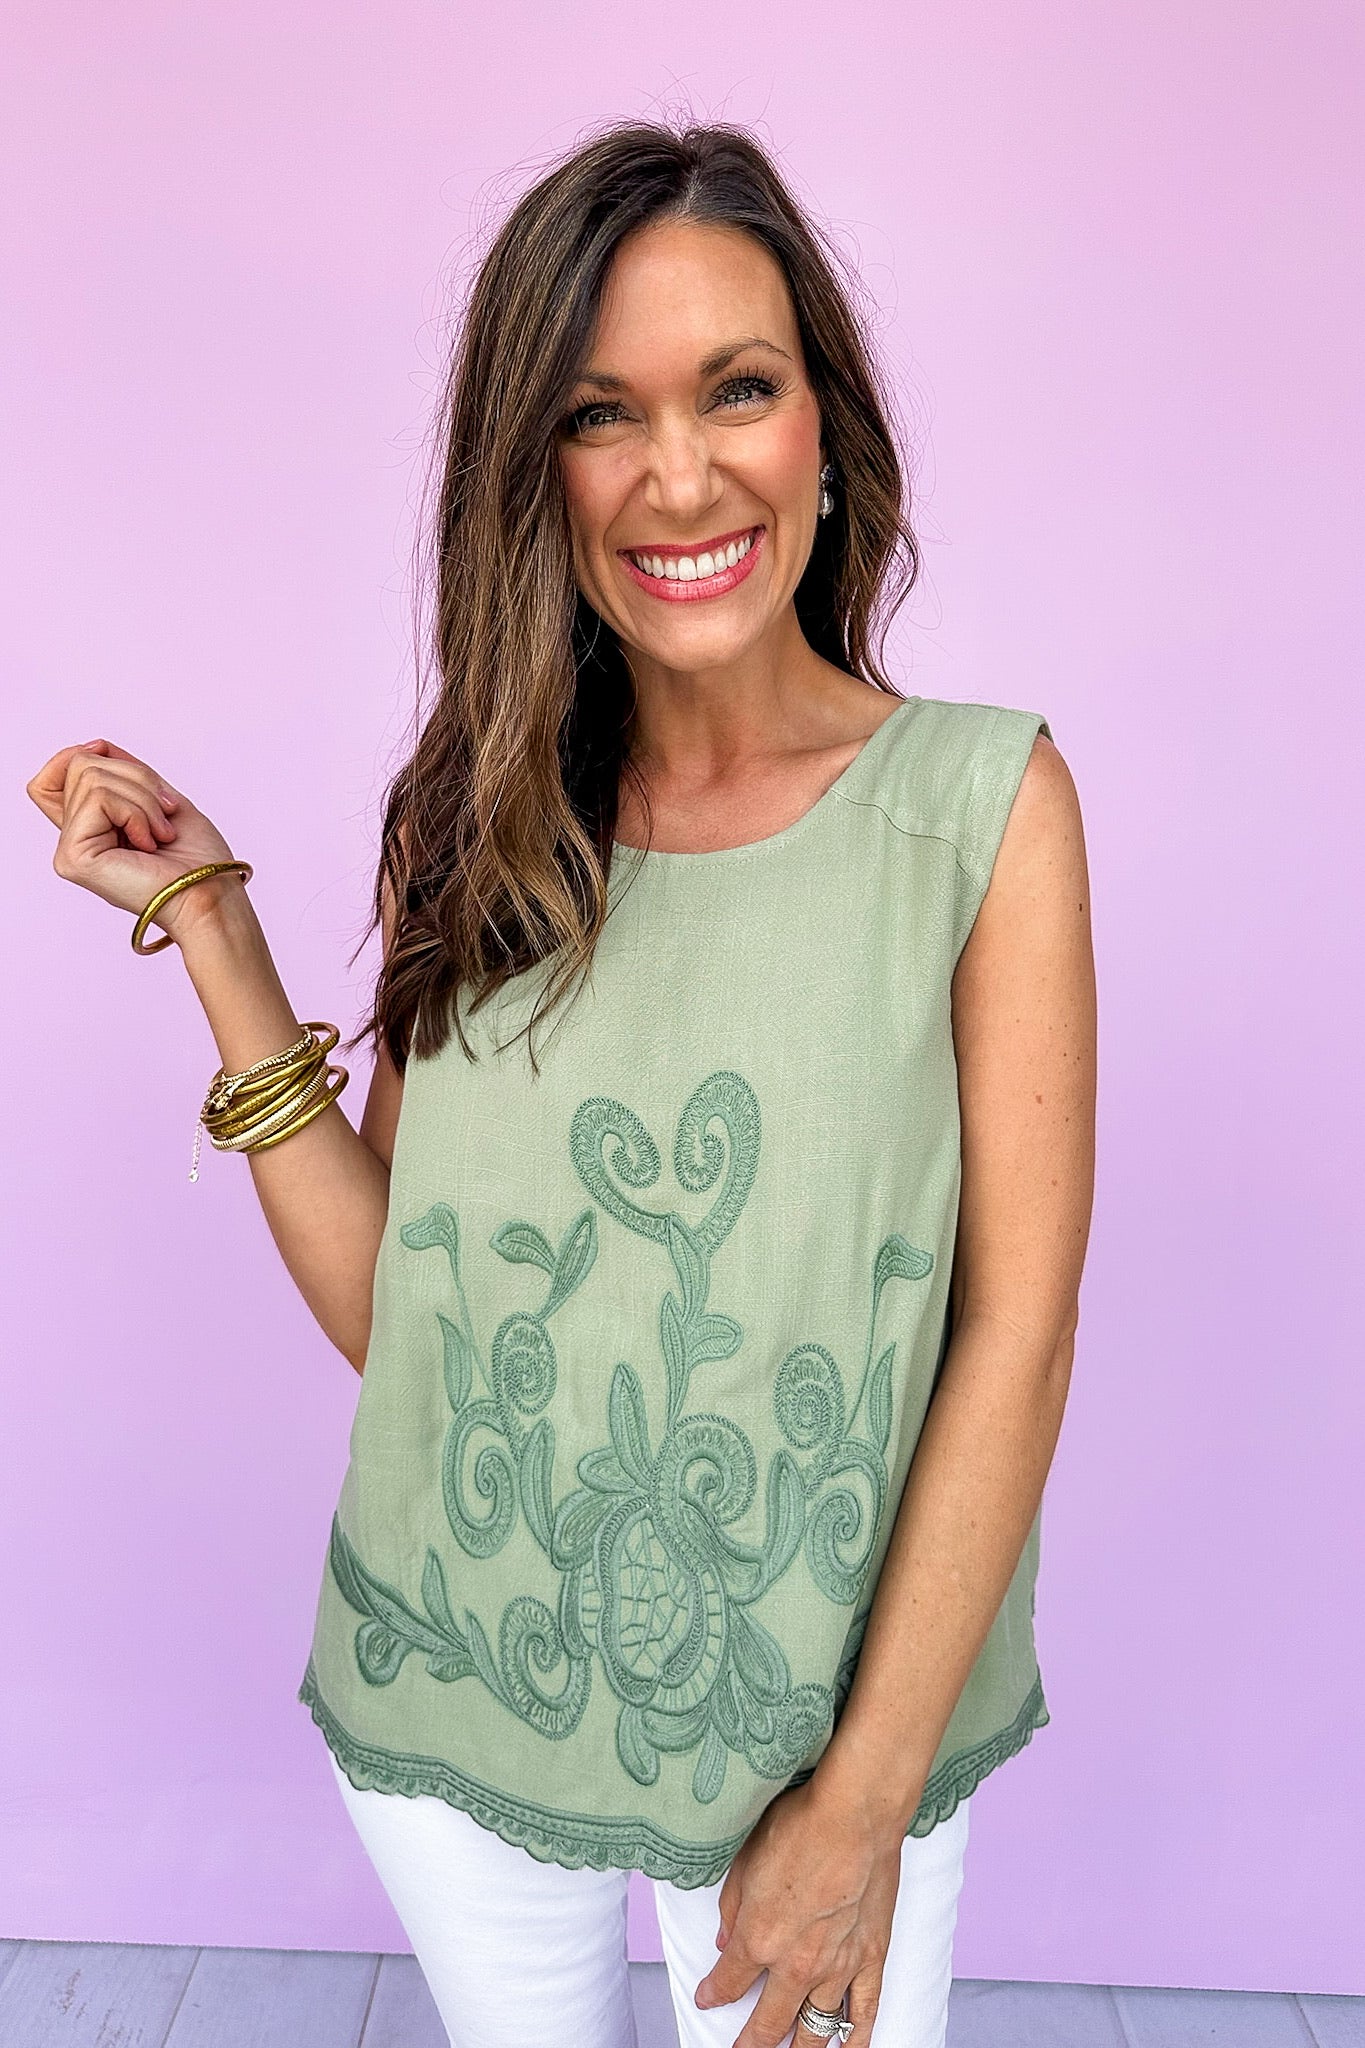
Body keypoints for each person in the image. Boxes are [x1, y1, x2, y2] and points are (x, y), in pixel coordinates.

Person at [27, 119, 1095, 2048]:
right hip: (457, 1688)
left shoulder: (979, 810)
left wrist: (860, 1808)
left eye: (737, 388)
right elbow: (406, 1317)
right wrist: (216, 933)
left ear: (824, 428)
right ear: (536, 471)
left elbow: (1013, 1337)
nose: (679, 474)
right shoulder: (481, 816)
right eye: (603, 414)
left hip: (817, 1748)